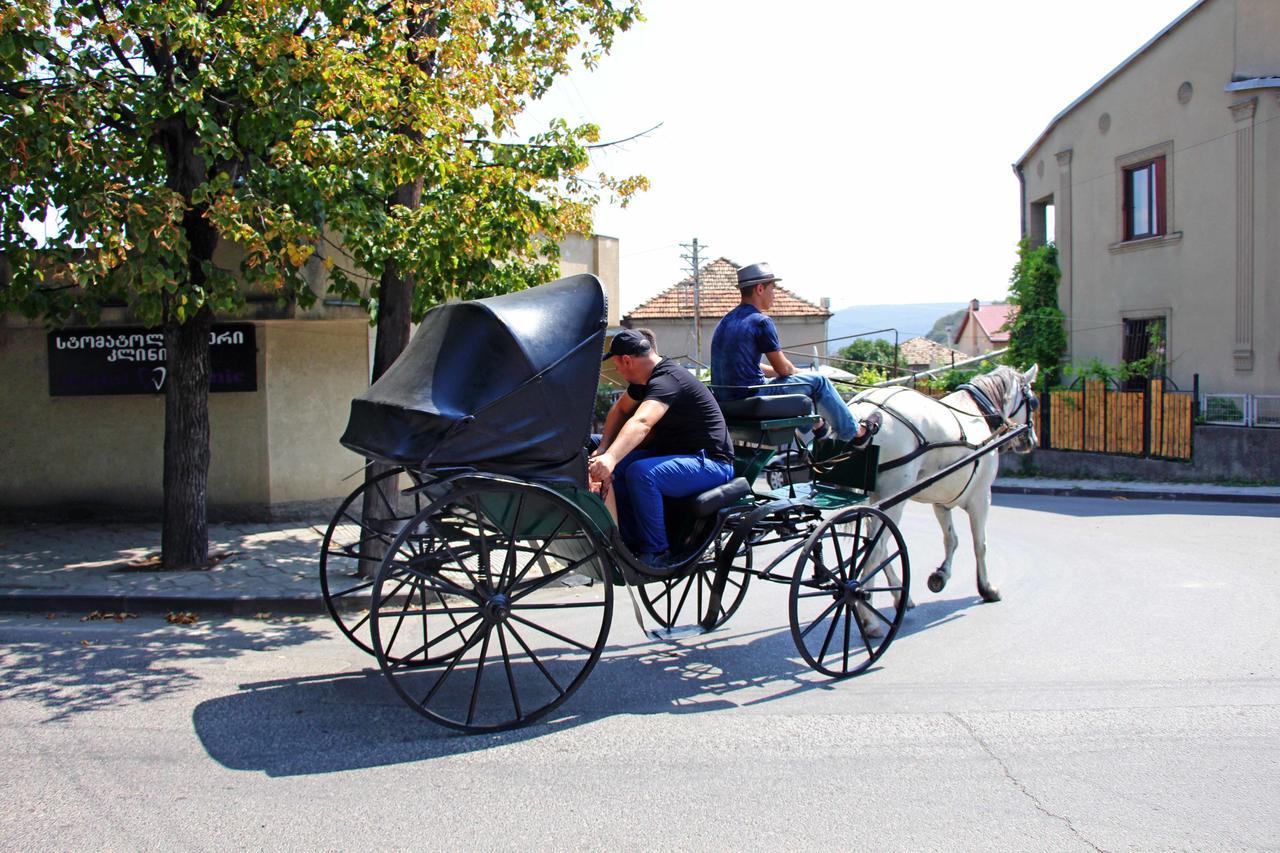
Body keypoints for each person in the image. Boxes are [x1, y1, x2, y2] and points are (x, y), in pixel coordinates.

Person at [589, 329, 734, 567]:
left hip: (711, 462)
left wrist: (611, 457)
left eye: (617, 365)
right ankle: (628, 541)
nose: (618, 371)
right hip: (677, 456)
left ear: (627, 361)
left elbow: (642, 422)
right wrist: (605, 448)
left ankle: (657, 551)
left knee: (642, 473)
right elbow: (620, 410)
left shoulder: (667, 380)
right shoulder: (643, 382)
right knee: (623, 466)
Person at [710, 261, 877, 445]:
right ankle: (855, 432)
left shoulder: (725, 322)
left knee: (798, 383)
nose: (774, 295)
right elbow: (784, 369)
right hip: (752, 397)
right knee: (819, 381)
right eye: (772, 289)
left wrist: (792, 375)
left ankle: (817, 426)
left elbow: (752, 366)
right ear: (759, 289)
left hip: (727, 399)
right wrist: (804, 374)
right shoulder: (760, 322)